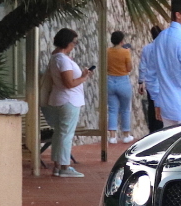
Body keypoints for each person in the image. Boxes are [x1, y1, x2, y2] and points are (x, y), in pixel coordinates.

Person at [43, 28, 93, 178]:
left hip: (60, 99)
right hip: (68, 100)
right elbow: (69, 83)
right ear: (67, 42)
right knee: (66, 134)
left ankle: (58, 165)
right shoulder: (63, 60)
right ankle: (64, 166)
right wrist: (84, 77)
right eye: (74, 42)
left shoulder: (57, 57)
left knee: (59, 133)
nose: (74, 45)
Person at [105, 31, 135, 144]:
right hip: (123, 80)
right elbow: (129, 68)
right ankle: (126, 135)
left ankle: (112, 136)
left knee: (112, 109)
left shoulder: (107, 51)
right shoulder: (125, 52)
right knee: (125, 109)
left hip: (110, 80)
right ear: (122, 41)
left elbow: (106, 66)